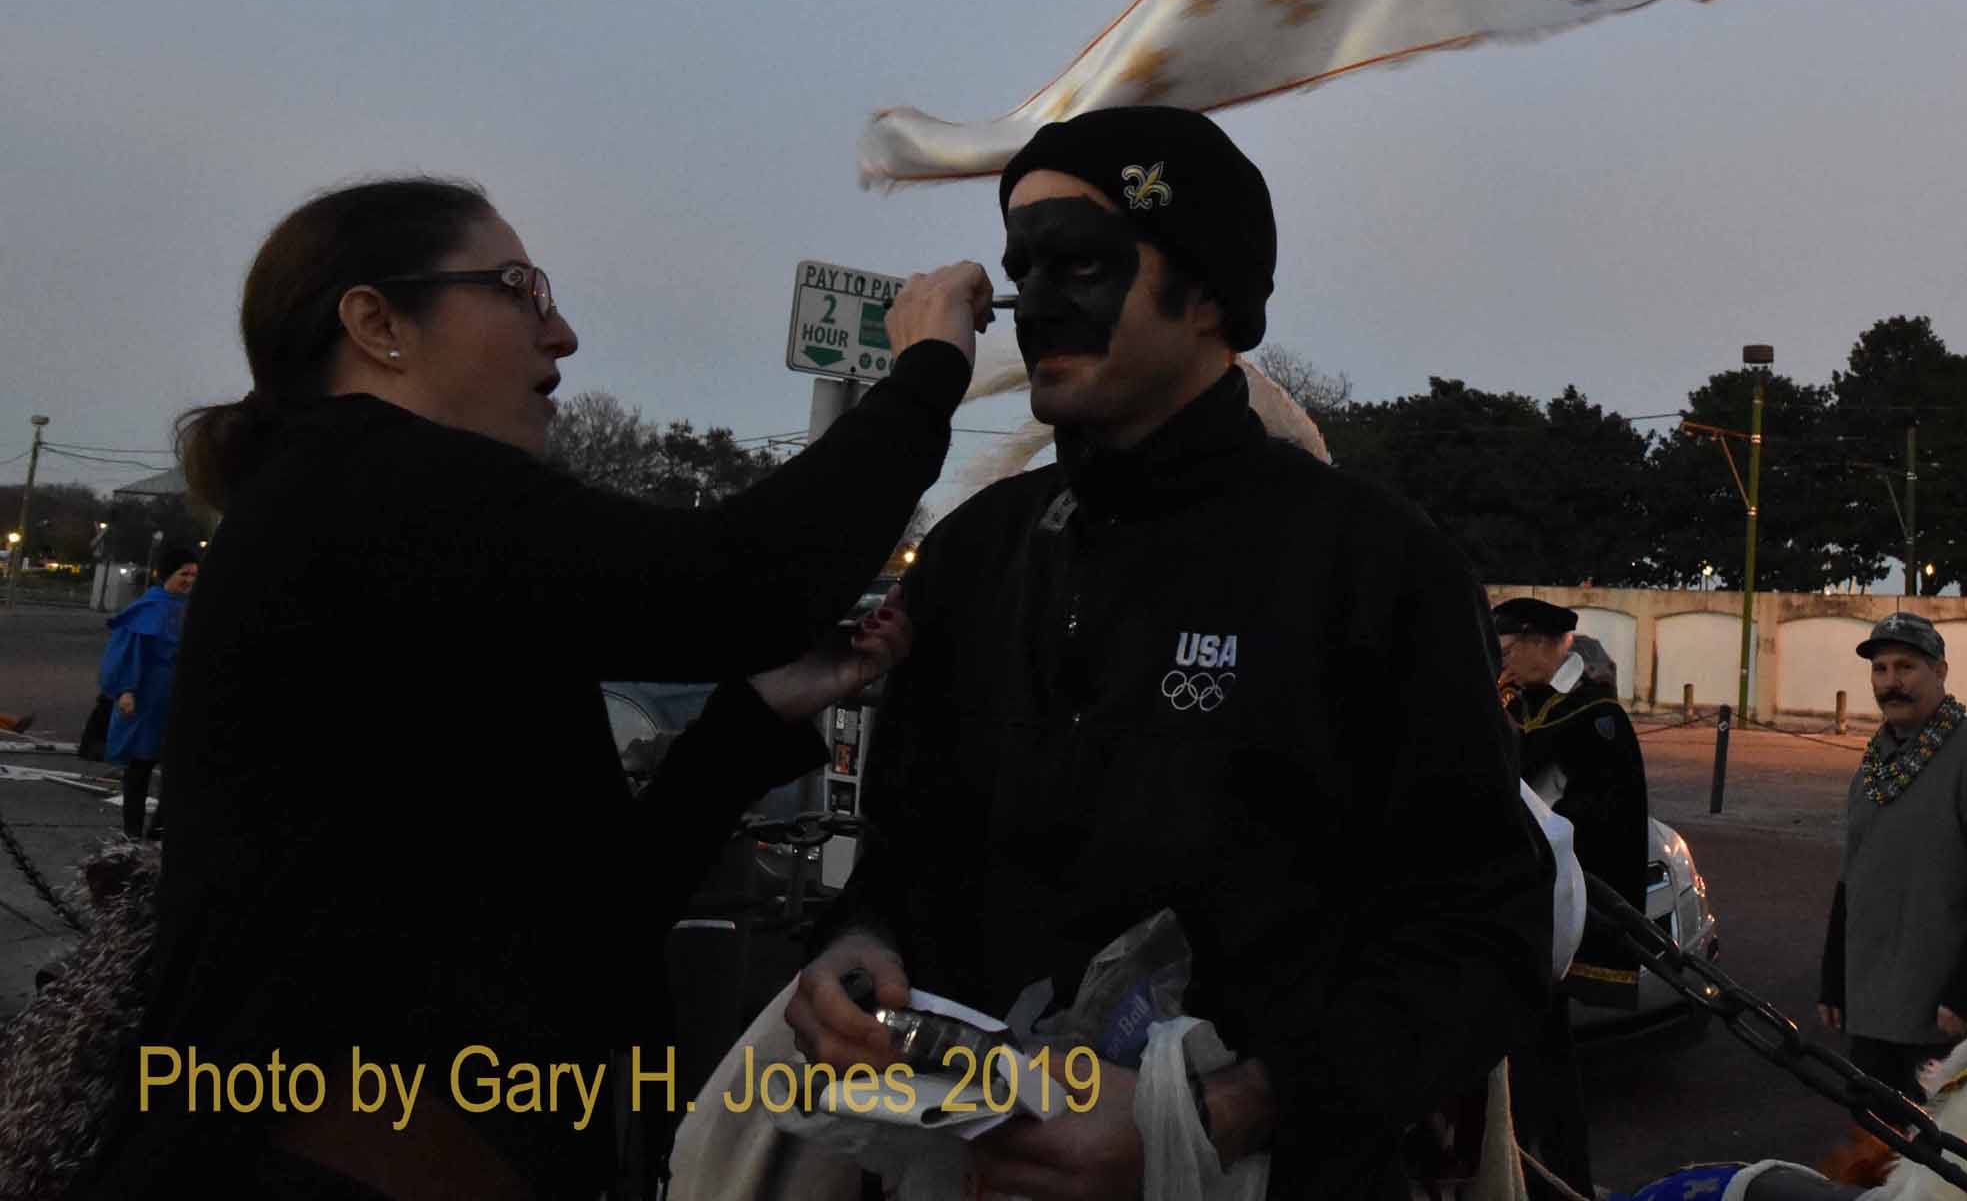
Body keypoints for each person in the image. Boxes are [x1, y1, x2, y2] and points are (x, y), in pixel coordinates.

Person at [82, 177, 988, 1201]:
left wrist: (747, 718)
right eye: (522, 289)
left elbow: (592, 920)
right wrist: (924, 373)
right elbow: (744, 580)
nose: (562, 335)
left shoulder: (407, 541)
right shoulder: (365, 483)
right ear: (378, 323)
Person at [787, 105, 1553, 1201]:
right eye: (1021, 268)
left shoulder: (1374, 564)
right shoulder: (974, 553)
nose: (1033, 302)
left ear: (1208, 296)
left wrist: (1214, 1115)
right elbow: (905, 853)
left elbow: (1483, 935)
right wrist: (852, 945)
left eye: (1082, 264)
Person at [1816, 611, 1967, 1094]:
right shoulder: (1875, 766)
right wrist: (1834, 976)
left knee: (1941, 1160)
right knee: (1876, 1151)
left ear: (1939, 671)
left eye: (1906, 667)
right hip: (1873, 1011)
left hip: (1944, 1024)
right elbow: (1852, 876)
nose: (1891, 682)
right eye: (1880, 669)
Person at [1493, 594, 1649, 1196]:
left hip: (1558, 907)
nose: (1502, 663)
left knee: (1546, 1067)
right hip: (1523, 908)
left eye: (1508, 651)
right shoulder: (1522, 705)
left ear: (1540, 643)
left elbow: (1605, 813)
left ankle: (1558, 1180)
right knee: (1530, 1065)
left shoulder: (1594, 713)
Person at [99, 548, 198, 838]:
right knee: (140, 766)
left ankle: (157, 832)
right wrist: (126, 690)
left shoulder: (193, 608)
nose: (190, 580)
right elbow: (128, 652)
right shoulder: (149, 608)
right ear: (167, 574)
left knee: (176, 771)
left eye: (194, 574)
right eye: (184, 573)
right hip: (147, 698)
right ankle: (132, 832)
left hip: (178, 699)